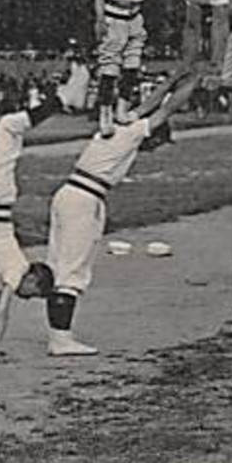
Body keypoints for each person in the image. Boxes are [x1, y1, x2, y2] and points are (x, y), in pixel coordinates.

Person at [44, 69, 201, 356]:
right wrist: (194, 81)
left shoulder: (119, 124)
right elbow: (167, 107)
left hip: (70, 194)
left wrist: (173, 77)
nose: (152, 149)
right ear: (151, 138)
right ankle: (60, 341)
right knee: (72, 271)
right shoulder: (131, 134)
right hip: (84, 199)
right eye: (155, 143)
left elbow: (153, 102)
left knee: (60, 266)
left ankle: (58, 335)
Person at [0, 63, 89, 360]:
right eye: (33, 293)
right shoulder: (15, 270)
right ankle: (63, 101)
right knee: (9, 126)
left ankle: (63, 99)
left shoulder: (8, 273)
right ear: (33, 280)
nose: (26, 297)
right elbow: (2, 313)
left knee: (9, 130)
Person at [90, 0, 196, 134]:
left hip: (134, 16)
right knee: (110, 67)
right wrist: (100, 19)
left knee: (132, 65)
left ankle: (122, 108)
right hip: (114, 17)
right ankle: (105, 113)